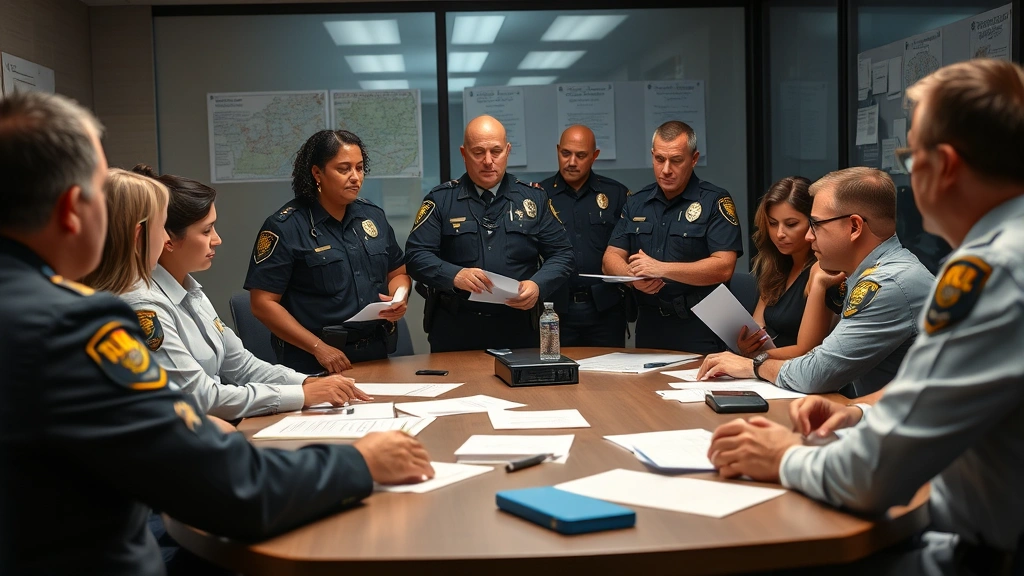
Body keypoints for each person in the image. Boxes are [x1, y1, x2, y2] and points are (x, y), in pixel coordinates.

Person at [0, 91, 433, 576]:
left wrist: (299, 391)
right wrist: (360, 464)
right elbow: (224, 487)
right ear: (72, 209)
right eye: (102, 195)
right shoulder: (71, 326)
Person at [706, 58, 1024, 576]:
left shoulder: (989, 272)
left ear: (942, 165)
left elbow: (875, 477)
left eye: (909, 153)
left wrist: (783, 455)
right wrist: (859, 414)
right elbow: (936, 398)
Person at [109, 165, 369, 421]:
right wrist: (302, 395)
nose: (217, 239)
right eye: (206, 230)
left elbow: (242, 366)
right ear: (168, 240)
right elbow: (201, 397)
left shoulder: (190, 290)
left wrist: (310, 383)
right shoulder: (144, 305)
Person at [698, 167, 933, 397]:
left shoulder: (886, 284)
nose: (809, 236)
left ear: (854, 227)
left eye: (817, 224)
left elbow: (816, 373)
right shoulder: (873, 272)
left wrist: (753, 366)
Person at [245, 130, 411, 374]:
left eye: (360, 168)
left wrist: (400, 297)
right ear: (317, 173)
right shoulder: (286, 226)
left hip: (375, 351)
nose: (355, 177)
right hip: (314, 360)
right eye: (344, 169)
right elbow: (262, 304)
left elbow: (398, 272)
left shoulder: (372, 216)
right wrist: (318, 348)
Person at [405, 115, 574, 352]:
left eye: (496, 151)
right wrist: (455, 275)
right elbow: (415, 256)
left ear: (507, 151)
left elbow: (563, 255)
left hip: (519, 326)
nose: (488, 161)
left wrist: (537, 286)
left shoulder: (533, 199)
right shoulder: (441, 200)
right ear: (464, 154)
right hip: (456, 326)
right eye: (478, 152)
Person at [602, 120, 743, 353]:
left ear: (694, 159)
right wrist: (632, 277)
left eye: (676, 160)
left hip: (700, 323)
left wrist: (660, 269)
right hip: (650, 323)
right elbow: (610, 258)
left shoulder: (714, 201)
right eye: (659, 159)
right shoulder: (637, 202)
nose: (666, 169)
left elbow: (724, 267)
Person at [540, 125, 631, 347]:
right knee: (553, 370)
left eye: (581, 155)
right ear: (558, 150)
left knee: (609, 375)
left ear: (594, 156)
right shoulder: (539, 195)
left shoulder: (616, 194)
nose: (572, 162)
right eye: (566, 154)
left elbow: (629, 246)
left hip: (605, 308)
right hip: (553, 310)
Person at [736, 176, 837, 359]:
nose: (779, 234)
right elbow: (758, 327)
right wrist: (748, 346)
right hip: (768, 374)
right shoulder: (776, 266)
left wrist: (754, 358)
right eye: (773, 224)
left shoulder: (821, 271)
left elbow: (807, 352)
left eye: (791, 224)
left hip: (801, 378)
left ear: (813, 223)